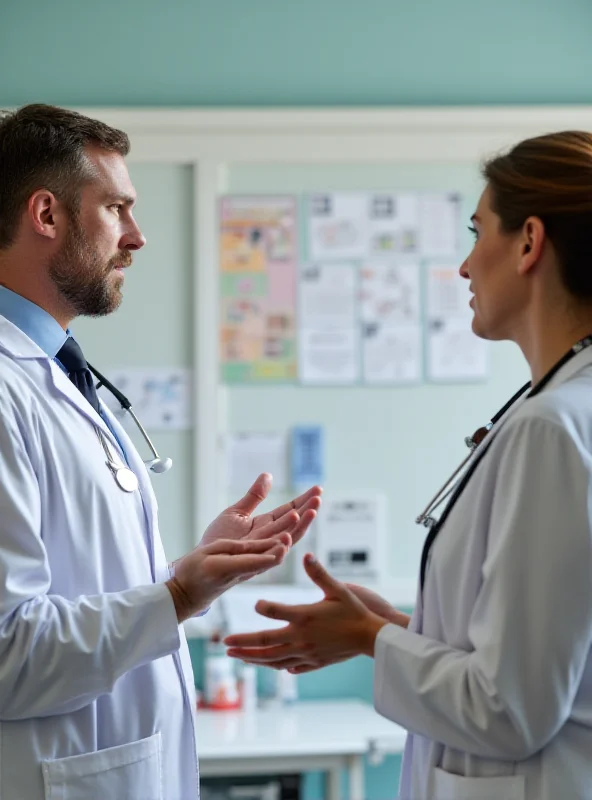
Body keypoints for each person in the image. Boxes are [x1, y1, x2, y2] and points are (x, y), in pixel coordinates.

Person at [225, 130, 592, 800]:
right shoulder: (562, 407)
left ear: (530, 242)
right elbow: (537, 660)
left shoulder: (553, 429)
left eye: (478, 231)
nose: (463, 266)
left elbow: (509, 711)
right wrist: (395, 630)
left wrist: (369, 638)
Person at [0, 104, 321, 800]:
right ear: (47, 215)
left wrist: (187, 574)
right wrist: (176, 595)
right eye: (116, 208)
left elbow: (80, 588)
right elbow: (8, 654)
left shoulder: (49, 370)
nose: (137, 237)